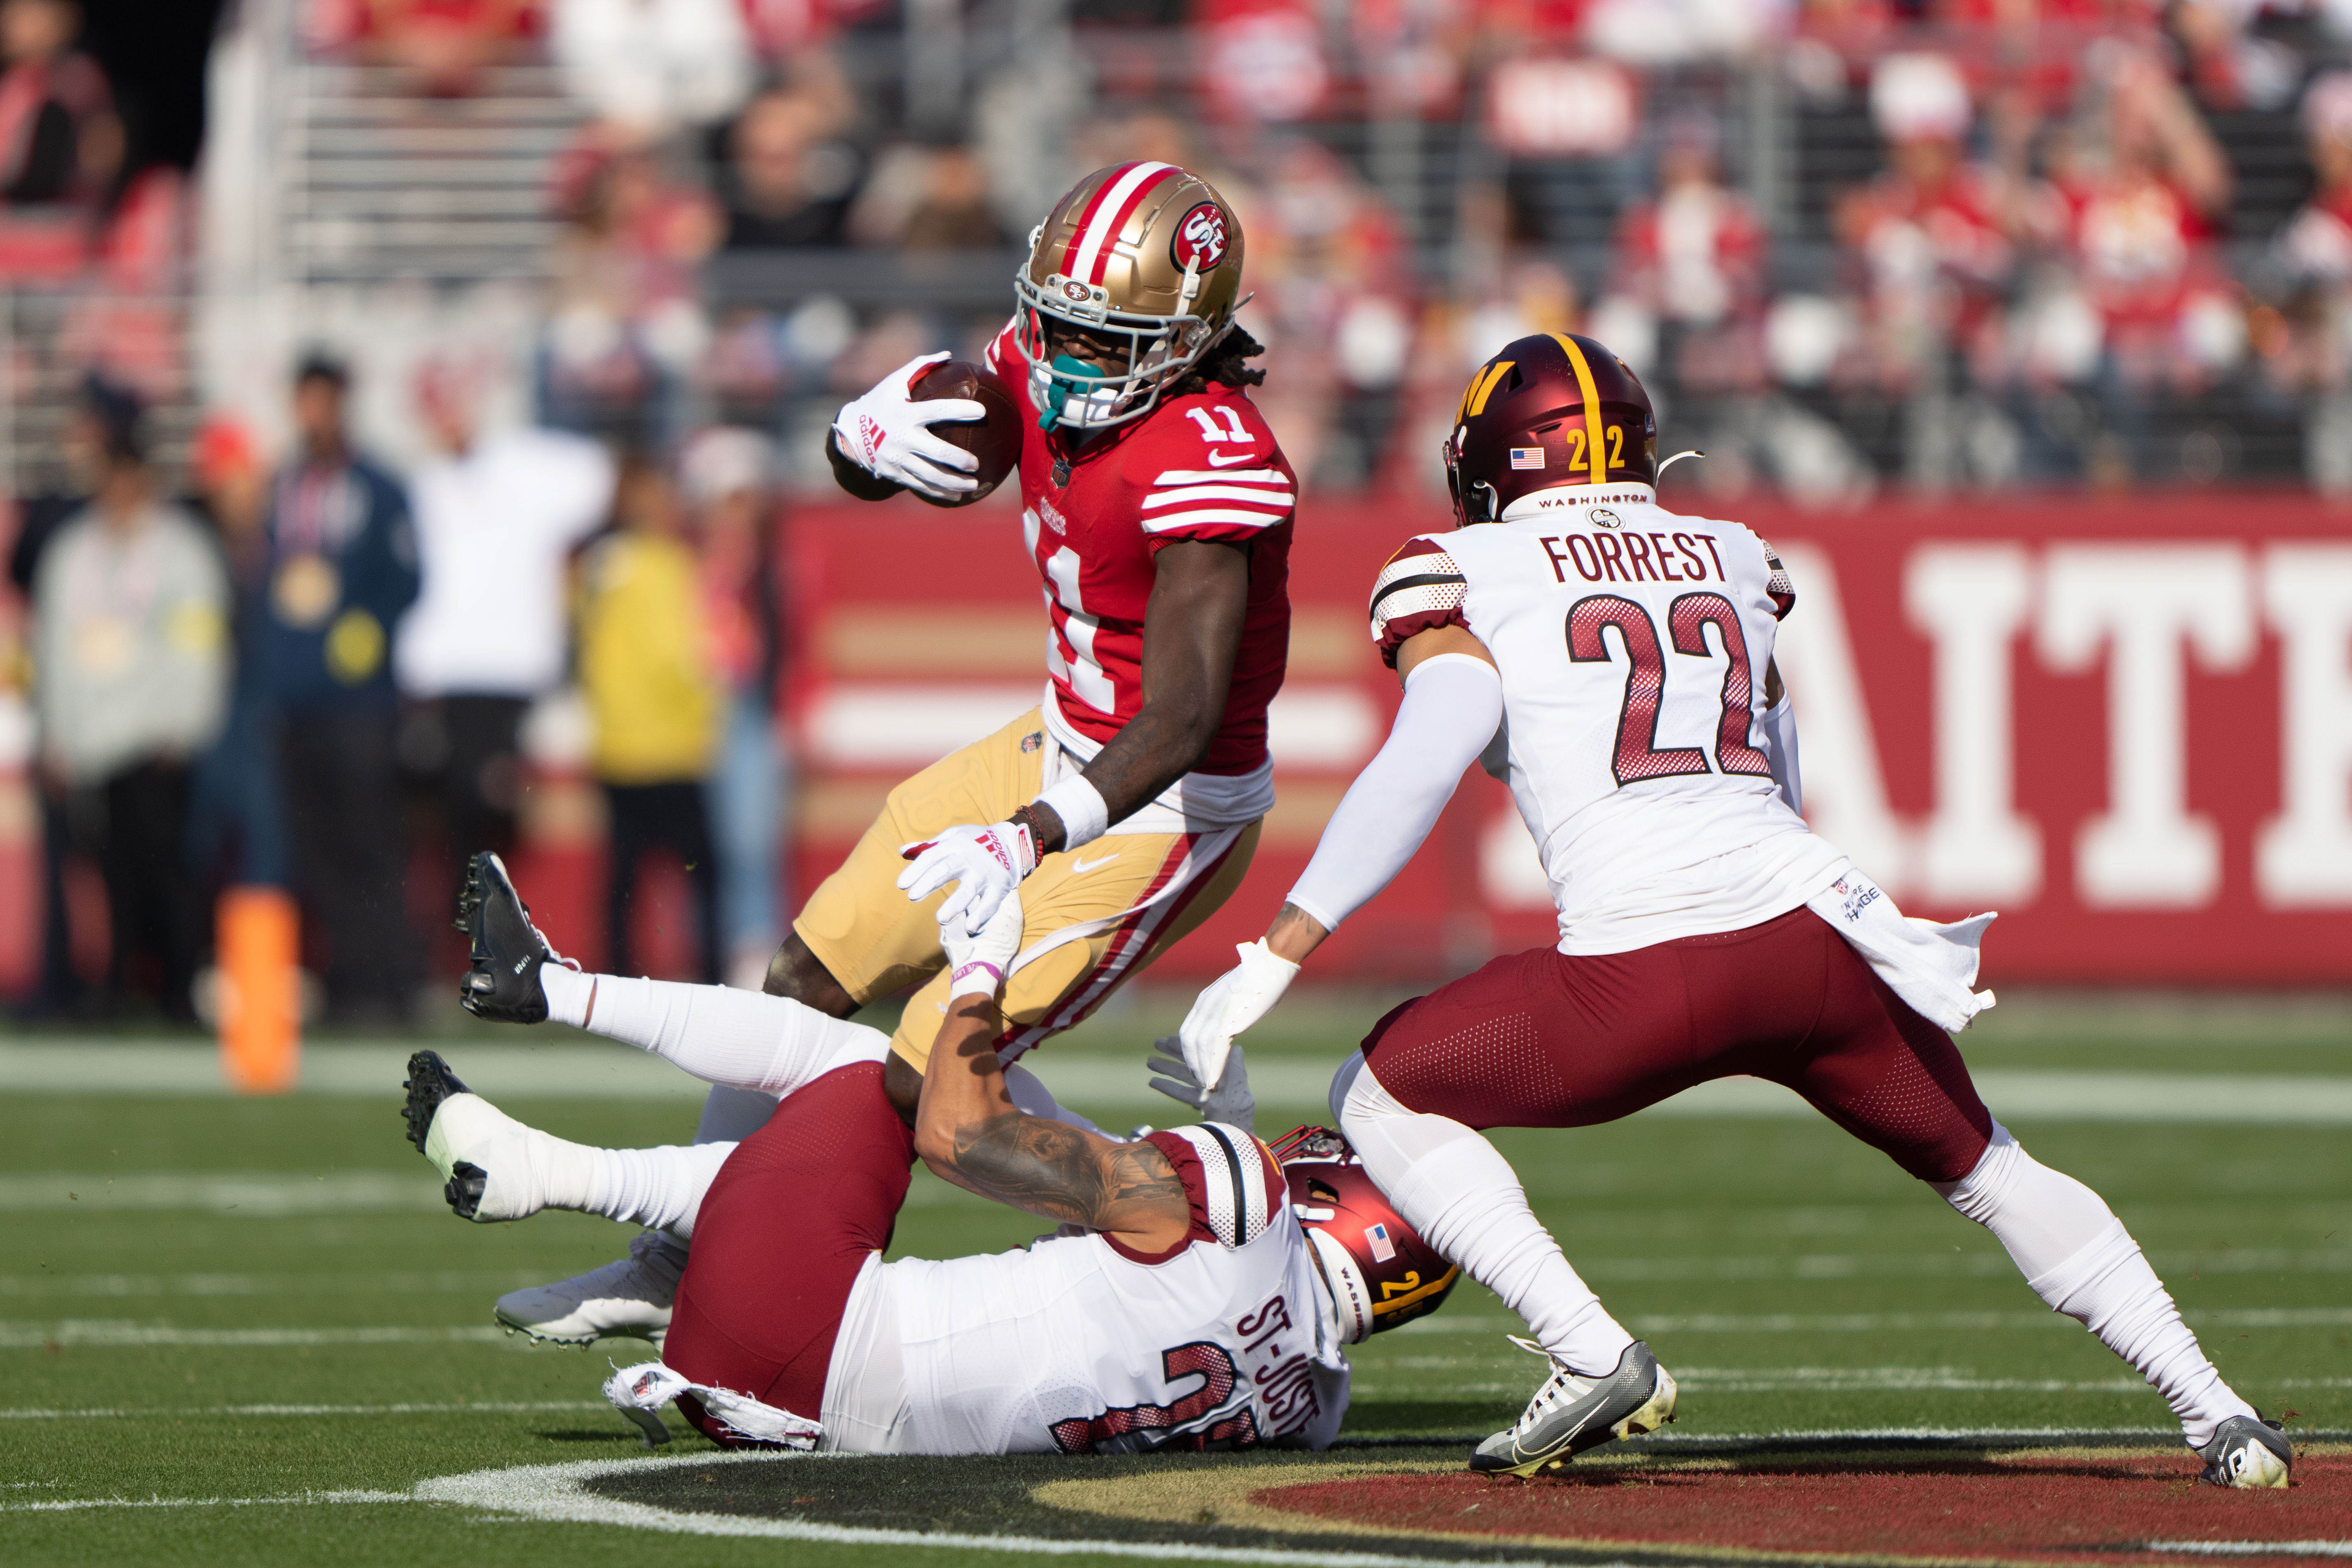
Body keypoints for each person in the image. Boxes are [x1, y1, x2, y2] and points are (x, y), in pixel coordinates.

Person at [1170, 332, 2295, 1491]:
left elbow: (1435, 738)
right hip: (1807, 945)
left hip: (1632, 981)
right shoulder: (1732, 553)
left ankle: (1586, 1347)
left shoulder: (1461, 565)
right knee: (1989, 1167)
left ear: (1501, 461)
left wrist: (1280, 946)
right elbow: (1777, 762)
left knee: (1378, 1088)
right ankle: (2215, 1412)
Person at [501, 161, 1297, 1346]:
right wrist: (851, 443)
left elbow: (1178, 720)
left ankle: (1208, 1229)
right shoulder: (1037, 362)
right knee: (808, 975)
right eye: (1058, 325)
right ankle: (681, 1258)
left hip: (1159, 807)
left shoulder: (1208, 453)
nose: (1066, 360)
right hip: (1051, 745)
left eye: (1105, 338)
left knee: (934, 1092)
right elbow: (937, 437)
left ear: (1184, 339)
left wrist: (1028, 834)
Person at [404, 852, 1454, 1450]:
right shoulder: (1308, 1409)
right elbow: (1114, 1236)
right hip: (809, 1417)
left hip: (792, 1320)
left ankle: (551, 1108)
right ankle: (639, 1250)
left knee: (867, 1068)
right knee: (891, 1088)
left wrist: (980, 970)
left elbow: (959, 1130)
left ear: (1339, 1202)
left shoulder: (1241, 1198)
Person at [31, 378, 228, 1019]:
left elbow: (198, 639)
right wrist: (59, 732)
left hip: (154, 736)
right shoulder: (73, 553)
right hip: (94, 740)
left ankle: (176, 988)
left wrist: (185, 722)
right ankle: (113, 987)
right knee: (109, 878)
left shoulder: (177, 550)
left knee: (167, 873)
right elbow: (56, 650)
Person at [396, 359, 614, 887]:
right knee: (447, 809)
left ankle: (490, 937)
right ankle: (471, 938)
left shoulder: (526, 464)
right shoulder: (421, 486)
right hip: (442, 675)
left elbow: (603, 478)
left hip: (507, 671)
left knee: (491, 803)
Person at [259, 353, 421, 1024]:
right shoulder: (285, 487)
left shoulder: (378, 487)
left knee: (369, 840)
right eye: (304, 402)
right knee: (315, 845)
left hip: (361, 700)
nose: (313, 416)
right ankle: (347, 981)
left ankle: (393, 982)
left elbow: (409, 577)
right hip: (299, 697)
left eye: (323, 402)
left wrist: (370, 629)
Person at [575, 454, 721, 983]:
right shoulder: (667, 564)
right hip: (671, 743)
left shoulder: (600, 564)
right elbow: (683, 654)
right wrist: (709, 697)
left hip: (621, 742)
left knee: (625, 876)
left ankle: (613, 983)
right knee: (700, 873)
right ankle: (711, 980)